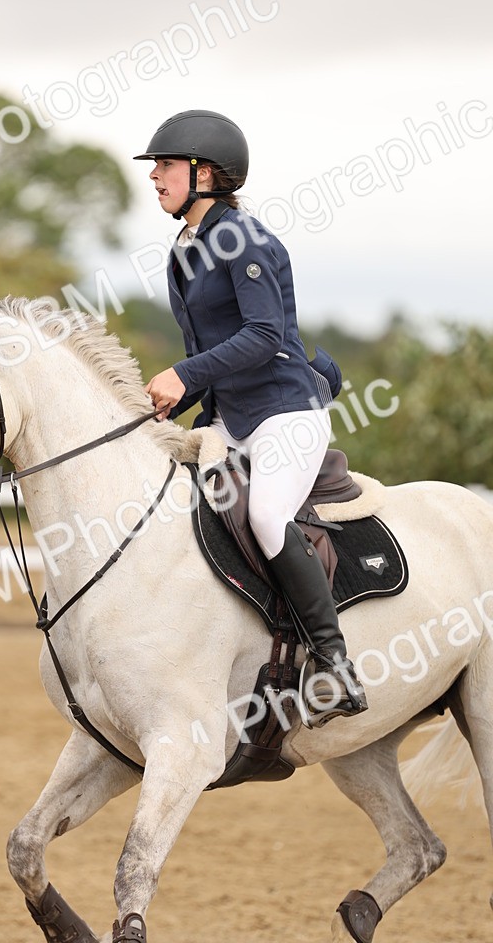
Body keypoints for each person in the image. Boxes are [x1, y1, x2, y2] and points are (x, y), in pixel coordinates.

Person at [135, 108, 367, 727]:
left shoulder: (246, 240)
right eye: (155, 166)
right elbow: (205, 354)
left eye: (165, 165)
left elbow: (265, 335)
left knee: (266, 514)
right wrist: (167, 402)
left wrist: (184, 376)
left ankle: (334, 659)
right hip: (231, 417)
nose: (154, 176)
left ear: (205, 173)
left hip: (285, 415)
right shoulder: (184, 251)